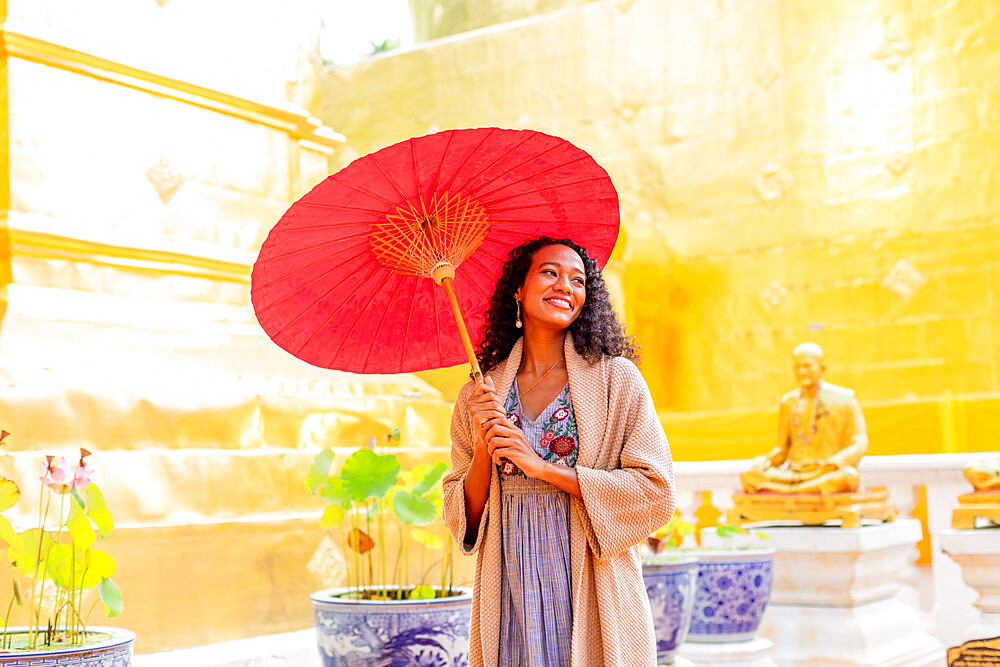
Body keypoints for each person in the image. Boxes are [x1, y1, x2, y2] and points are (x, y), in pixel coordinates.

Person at [442, 236, 676, 667]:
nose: (565, 285)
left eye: (578, 280)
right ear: (518, 288)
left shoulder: (617, 380)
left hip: (587, 578)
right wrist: (480, 443)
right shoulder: (480, 392)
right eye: (549, 272)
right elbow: (465, 519)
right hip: (509, 576)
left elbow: (656, 491)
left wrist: (541, 467)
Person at [740, 342, 868, 494]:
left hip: (824, 472)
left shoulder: (845, 399)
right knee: (749, 474)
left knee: (847, 477)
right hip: (795, 474)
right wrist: (765, 461)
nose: (802, 371)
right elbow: (782, 450)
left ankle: (787, 491)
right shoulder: (789, 402)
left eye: (808, 366)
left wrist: (833, 463)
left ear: (822, 368)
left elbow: (859, 442)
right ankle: (799, 490)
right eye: (797, 367)